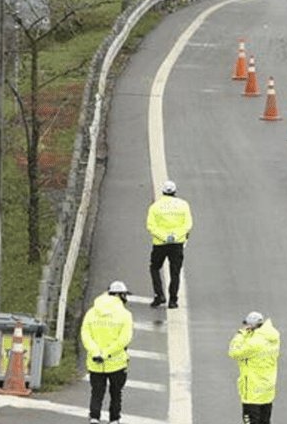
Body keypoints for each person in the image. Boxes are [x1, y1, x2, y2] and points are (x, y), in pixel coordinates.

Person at [81, 280, 134, 424]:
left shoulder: (92, 312)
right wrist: (107, 353)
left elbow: (85, 335)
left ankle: (94, 418)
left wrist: (96, 352)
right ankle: (114, 419)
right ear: (120, 295)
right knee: (116, 394)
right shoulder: (125, 315)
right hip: (117, 363)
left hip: (95, 362)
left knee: (97, 393)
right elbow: (124, 339)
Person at [228, 311, 281, 424]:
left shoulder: (254, 343)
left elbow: (233, 352)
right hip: (267, 392)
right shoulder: (272, 338)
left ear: (251, 326)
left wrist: (241, 333)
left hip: (252, 393)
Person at [146, 180, 192, 308]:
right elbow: (187, 225)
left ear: (163, 192)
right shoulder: (183, 205)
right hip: (177, 244)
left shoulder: (155, 206)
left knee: (154, 268)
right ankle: (173, 300)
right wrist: (175, 237)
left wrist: (164, 237)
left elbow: (150, 226)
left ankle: (159, 295)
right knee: (175, 272)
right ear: (175, 191)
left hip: (160, 244)